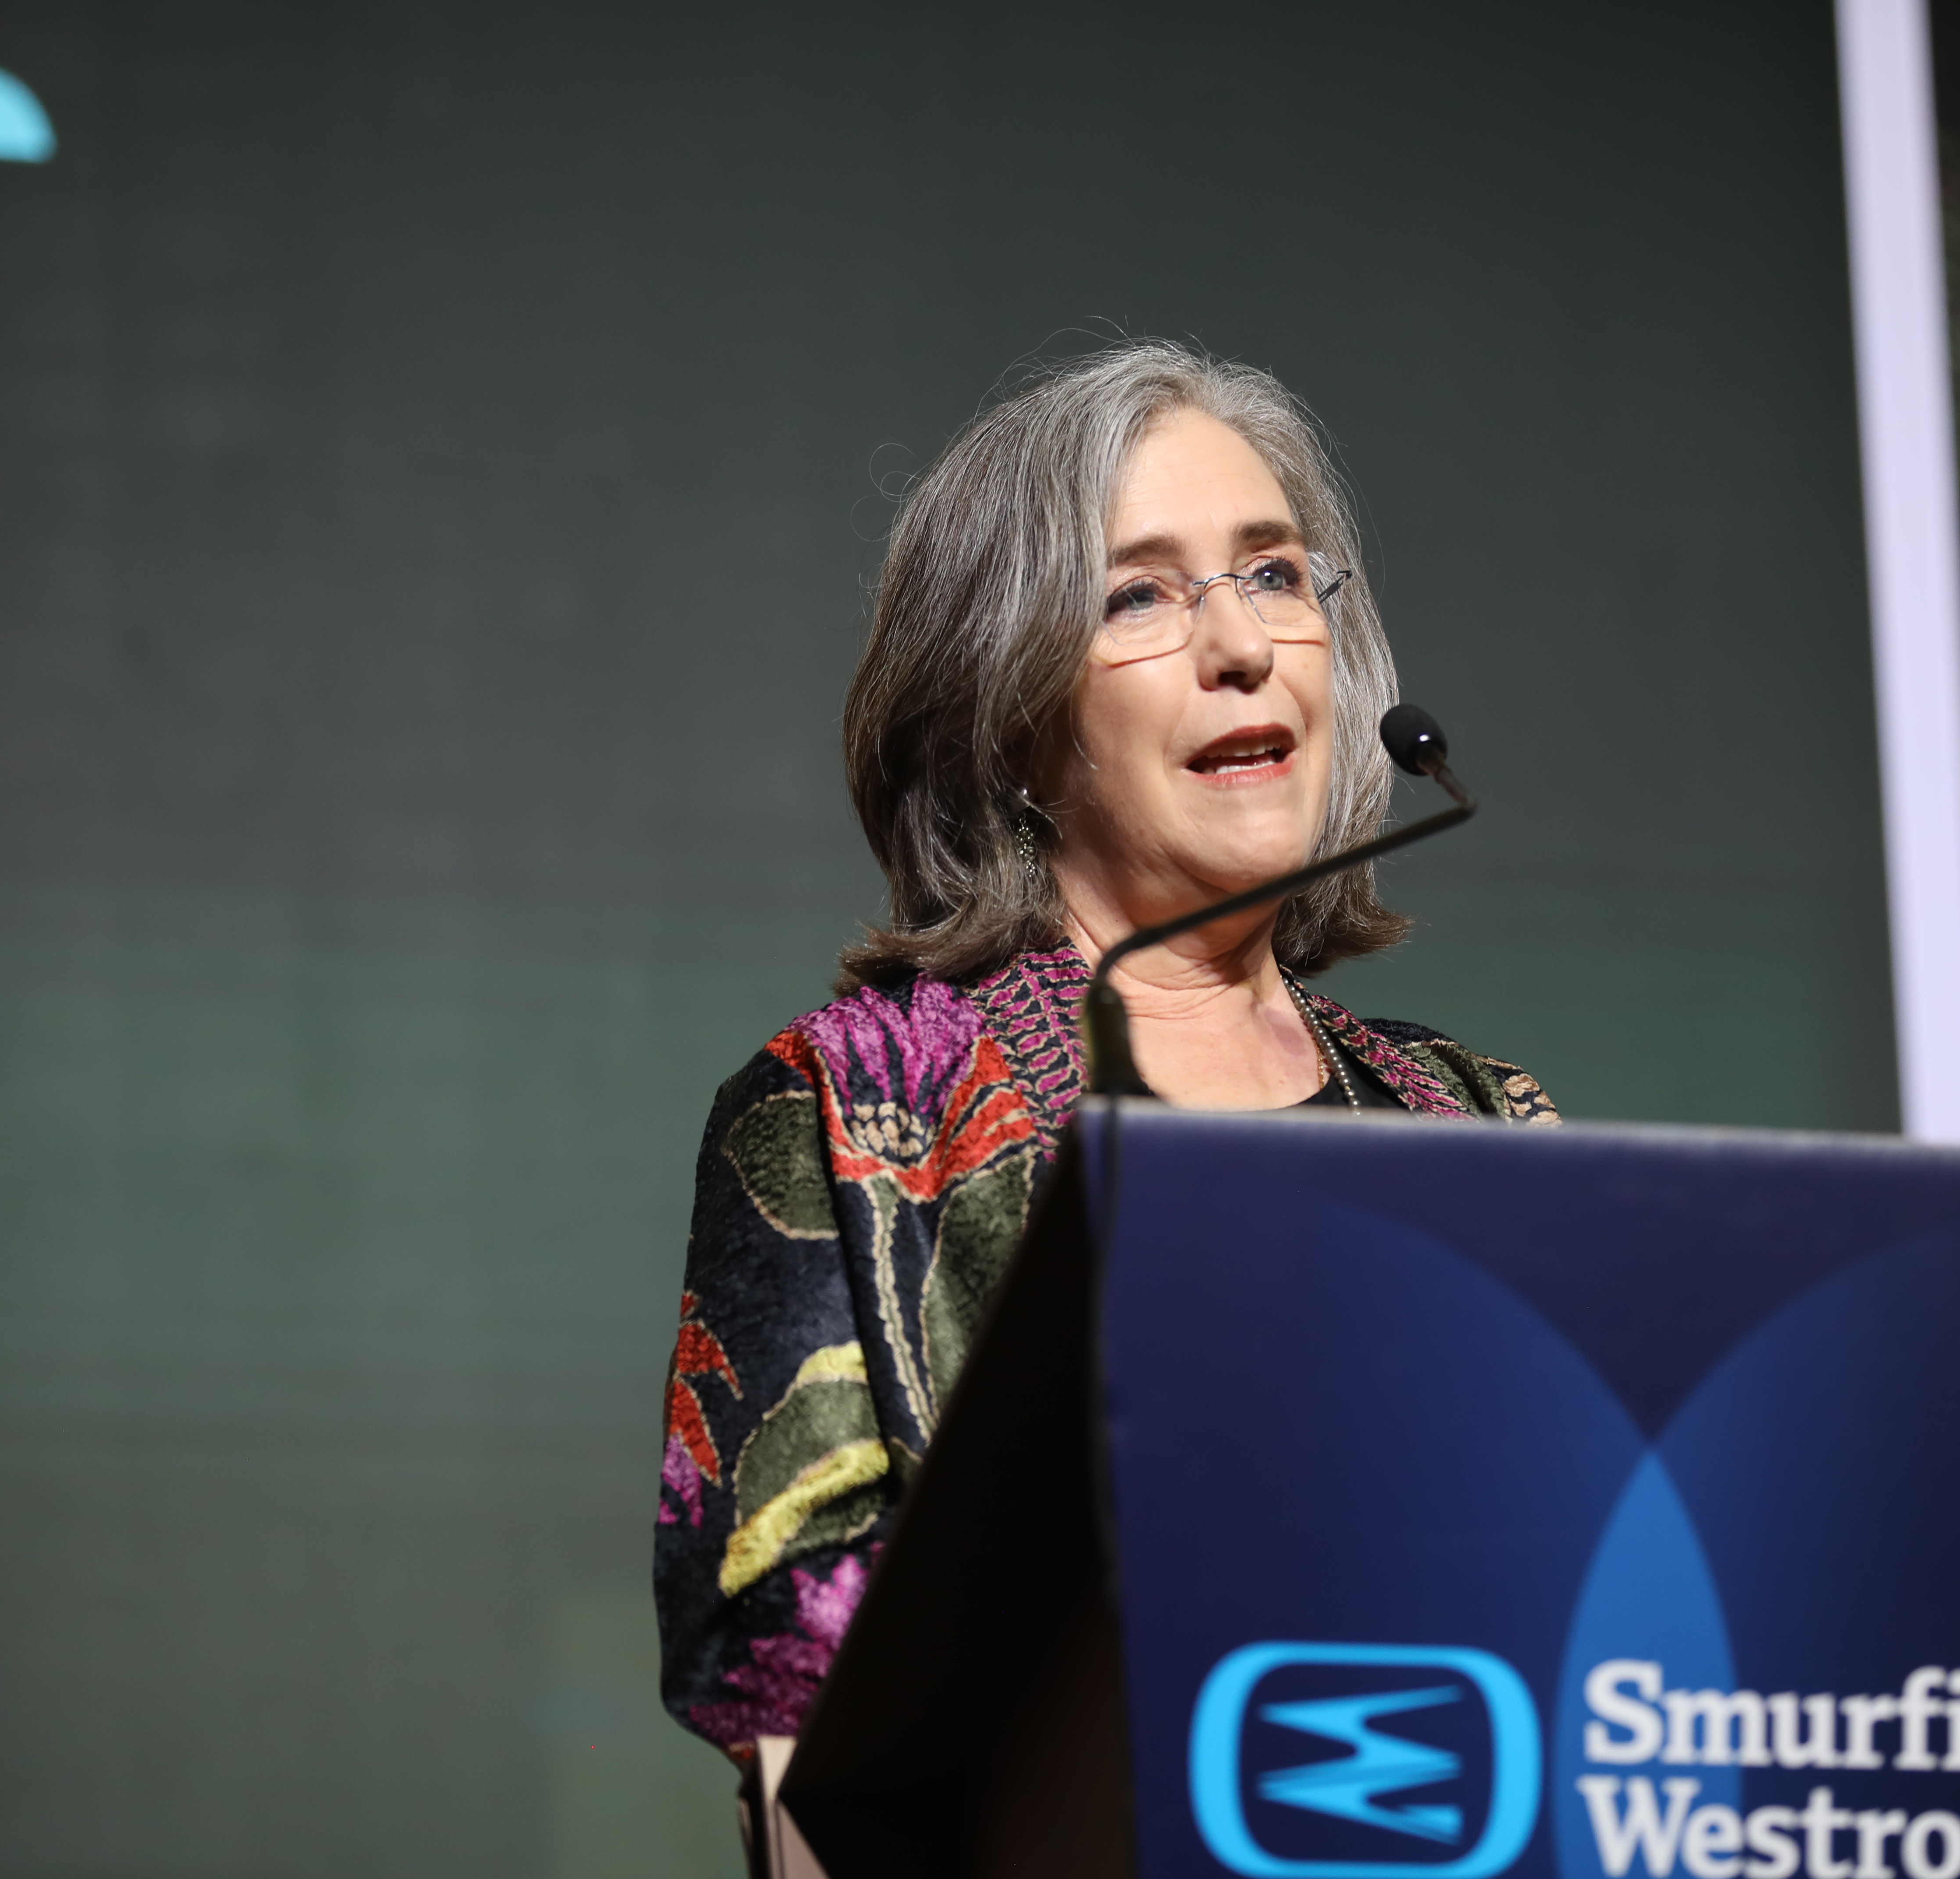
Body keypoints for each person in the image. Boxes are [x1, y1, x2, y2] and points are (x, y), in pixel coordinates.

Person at [652, 341, 1557, 1759]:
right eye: (1139, 594)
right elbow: (762, 1642)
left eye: (1273, 573)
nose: (1243, 645)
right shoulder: (853, 1109)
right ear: (1010, 718)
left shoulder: (1483, 1124)